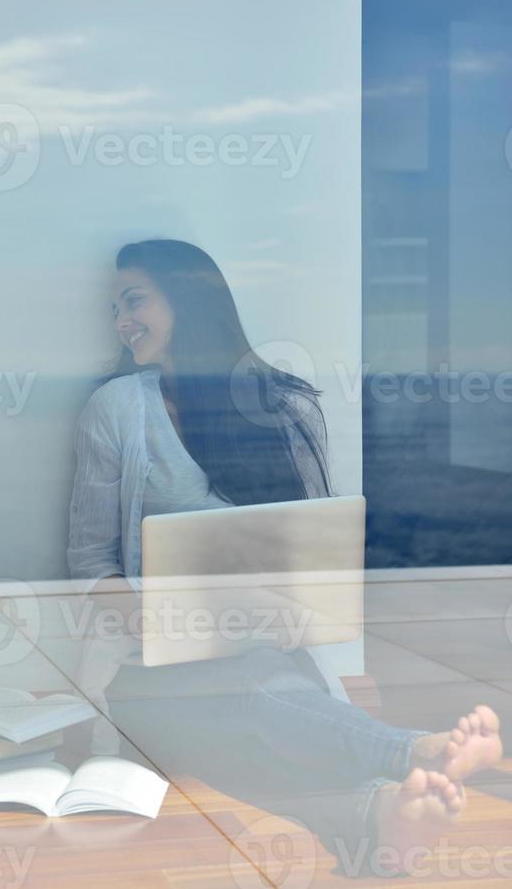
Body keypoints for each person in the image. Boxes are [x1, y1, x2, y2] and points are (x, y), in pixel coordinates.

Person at [67, 238, 503, 878]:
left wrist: (276, 613)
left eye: (134, 300)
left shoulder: (283, 404)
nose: (121, 321)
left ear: (188, 300)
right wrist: (150, 620)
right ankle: (410, 753)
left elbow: (316, 555)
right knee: (255, 690)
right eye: (114, 308)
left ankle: (371, 820)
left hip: (264, 661)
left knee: (247, 703)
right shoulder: (115, 410)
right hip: (146, 675)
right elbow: (87, 565)